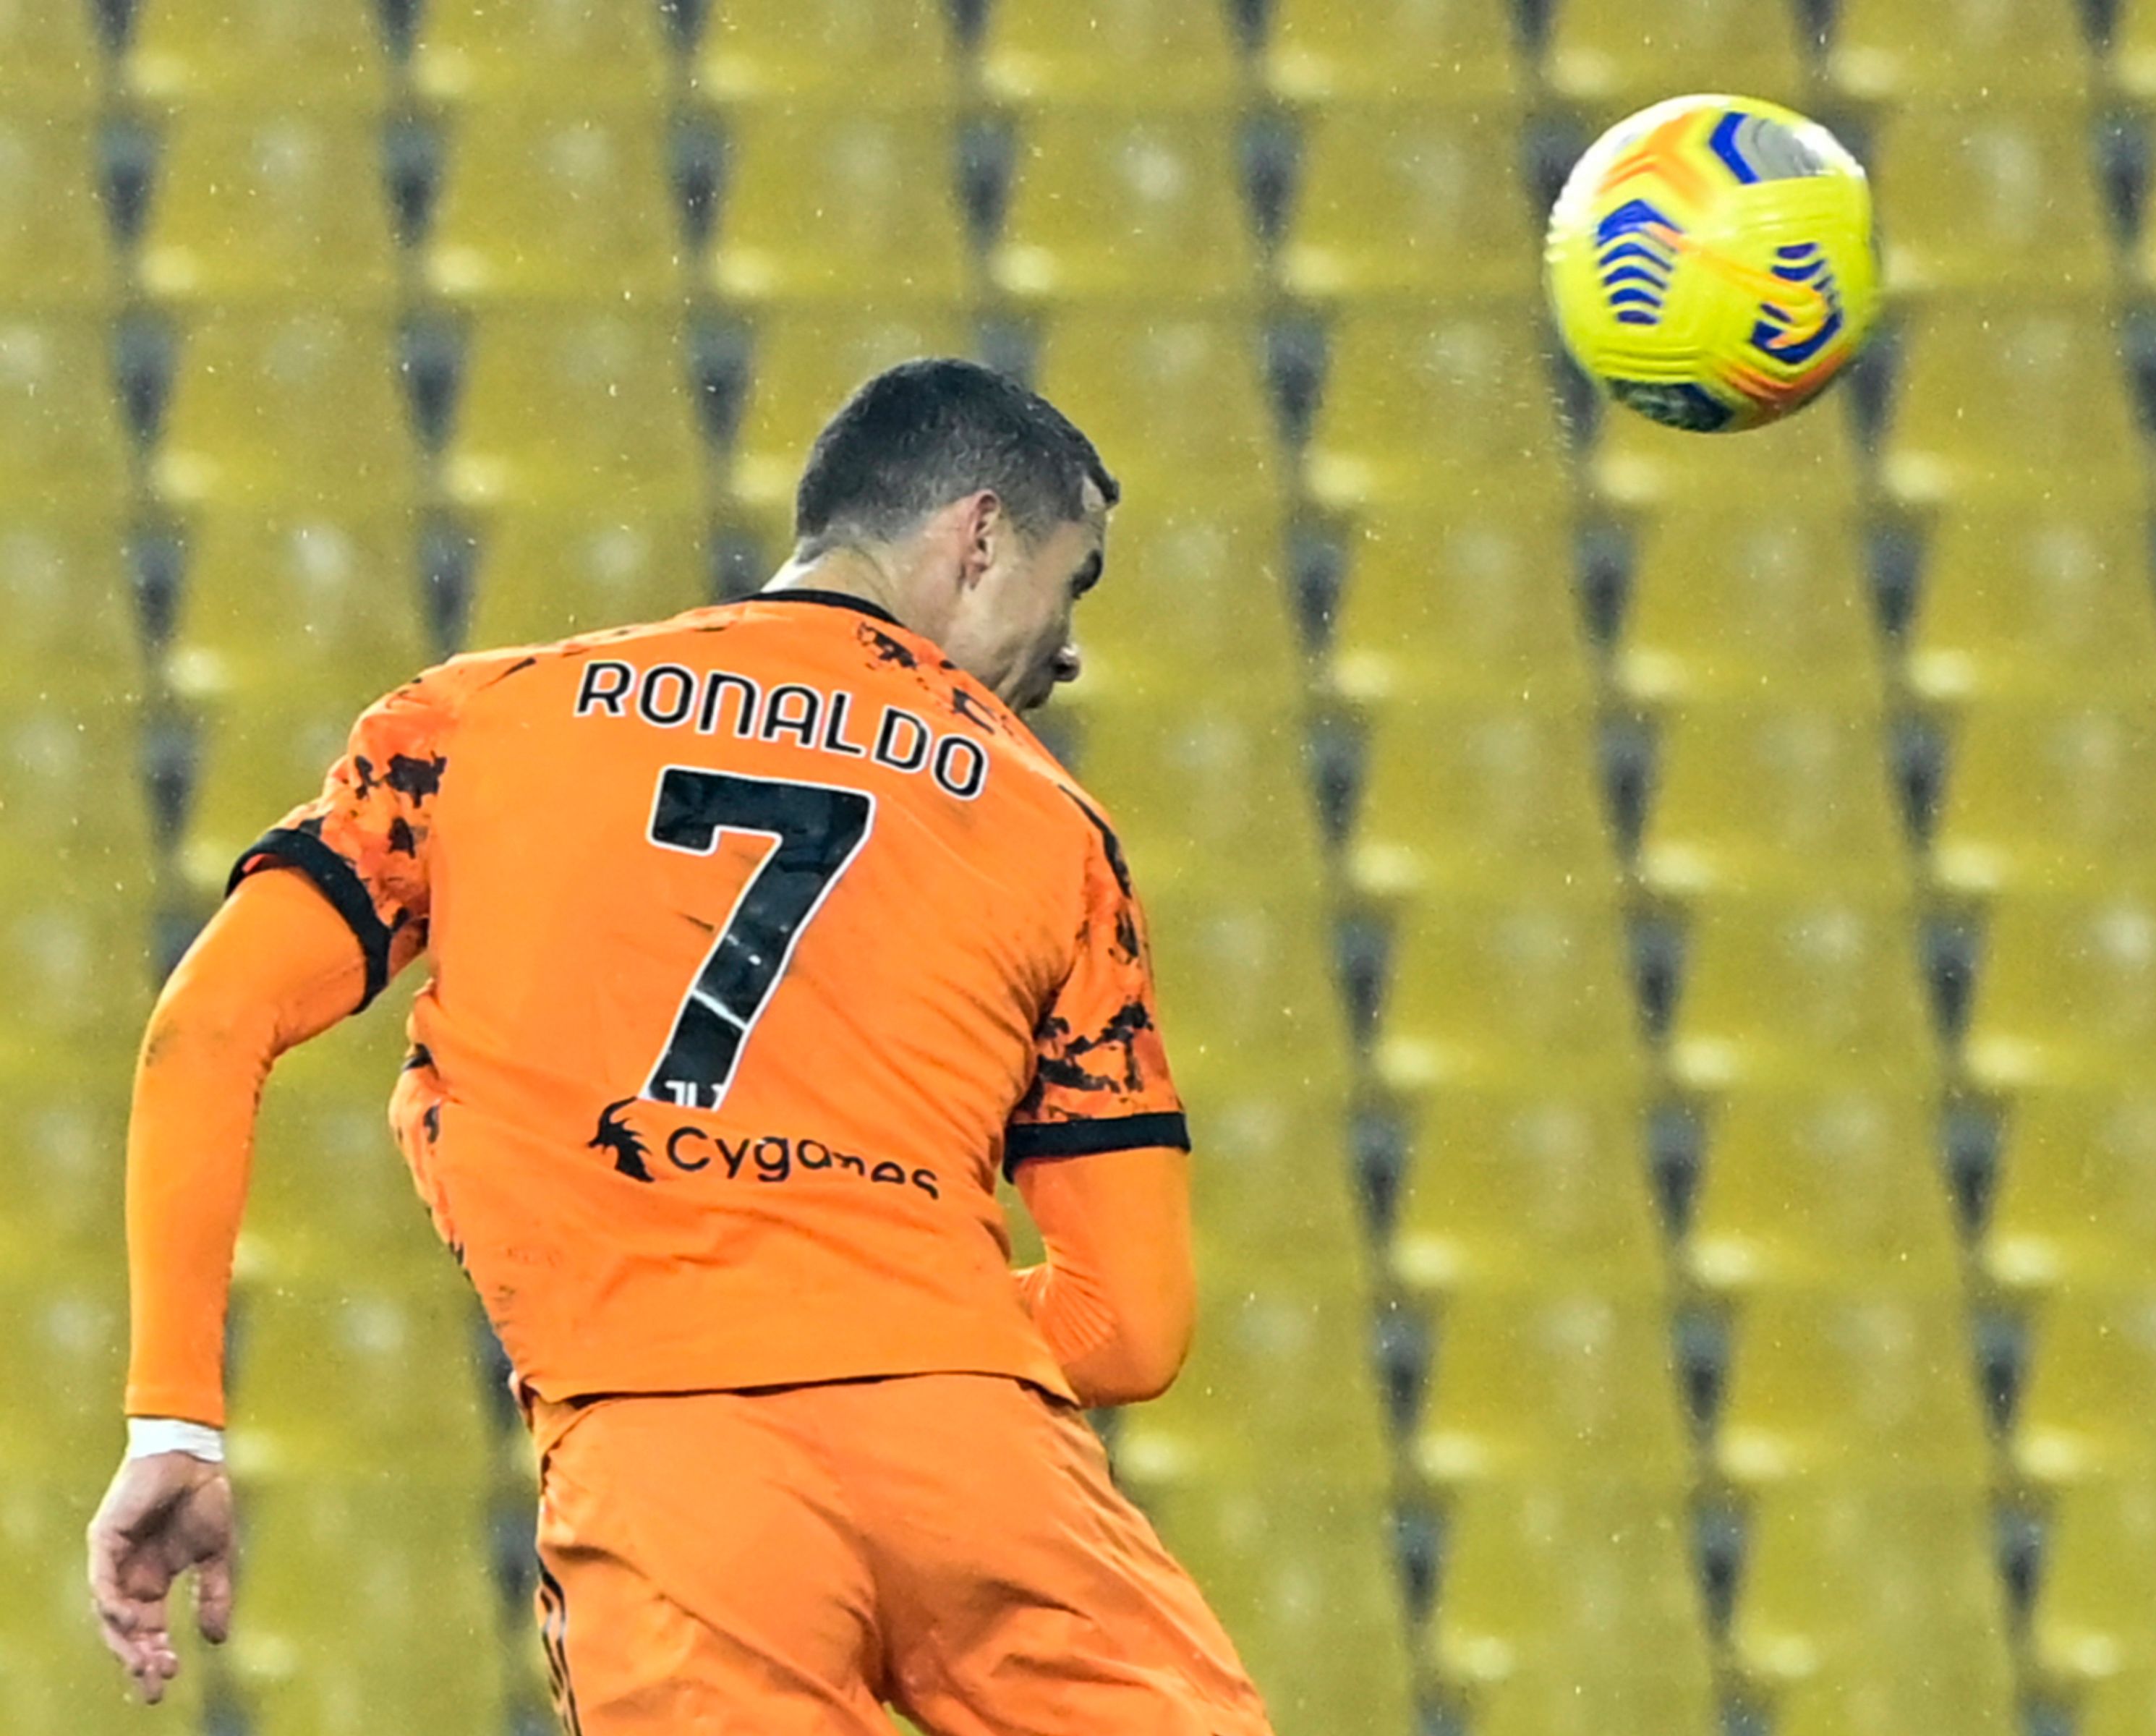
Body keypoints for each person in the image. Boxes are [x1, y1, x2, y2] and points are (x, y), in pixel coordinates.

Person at [87, 359, 1276, 1736]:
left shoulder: (482, 722)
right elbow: (1130, 1327)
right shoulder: (1052, 822)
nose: (1067, 649)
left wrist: (175, 1417)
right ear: (982, 533)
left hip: (671, 1472)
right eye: (1074, 587)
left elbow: (207, 1027)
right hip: (979, 1463)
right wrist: (882, 1309)